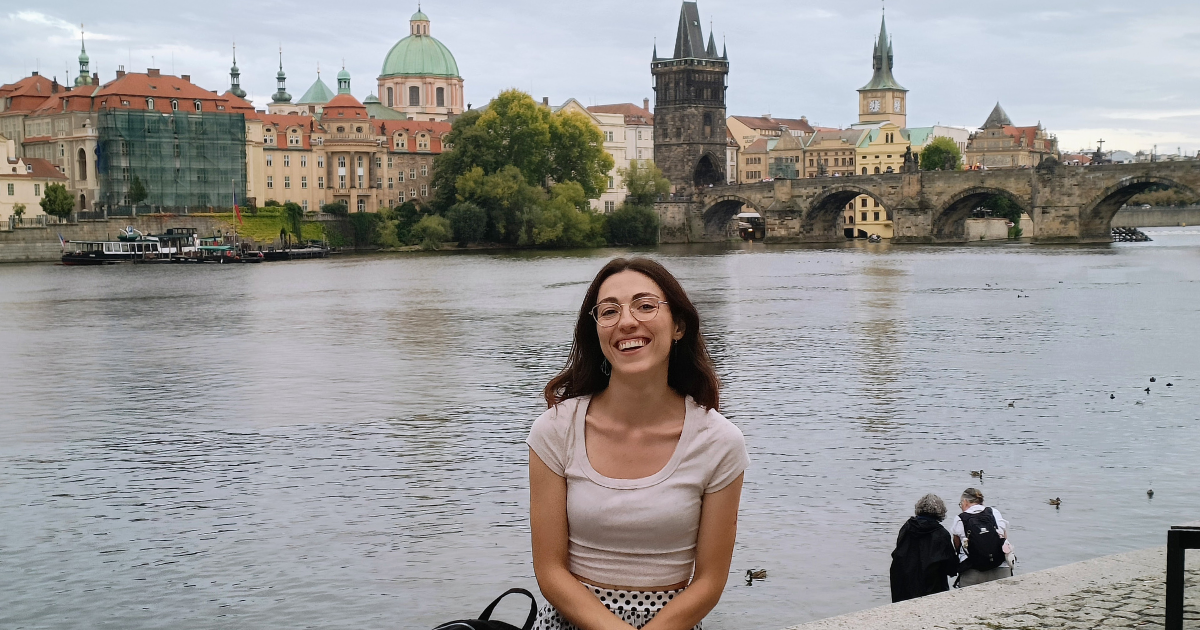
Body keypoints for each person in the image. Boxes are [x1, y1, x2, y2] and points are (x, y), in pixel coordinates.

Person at [527, 257, 749, 630]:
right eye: (609, 311)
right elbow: (550, 569)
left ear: (678, 325)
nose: (627, 321)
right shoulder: (554, 430)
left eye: (645, 306)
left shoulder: (719, 442)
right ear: (596, 331)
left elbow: (710, 581)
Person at [889, 494, 958, 602]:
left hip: (904, 584)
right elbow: (950, 566)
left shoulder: (906, 528)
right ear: (940, 511)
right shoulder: (941, 534)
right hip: (932, 587)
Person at [950, 488, 1011, 587]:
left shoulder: (960, 518)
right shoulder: (994, 512)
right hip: (1001, 568)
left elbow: (957, 545)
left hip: (972, 571)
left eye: (960, 504)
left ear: (965, 502)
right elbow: (1003, 537)